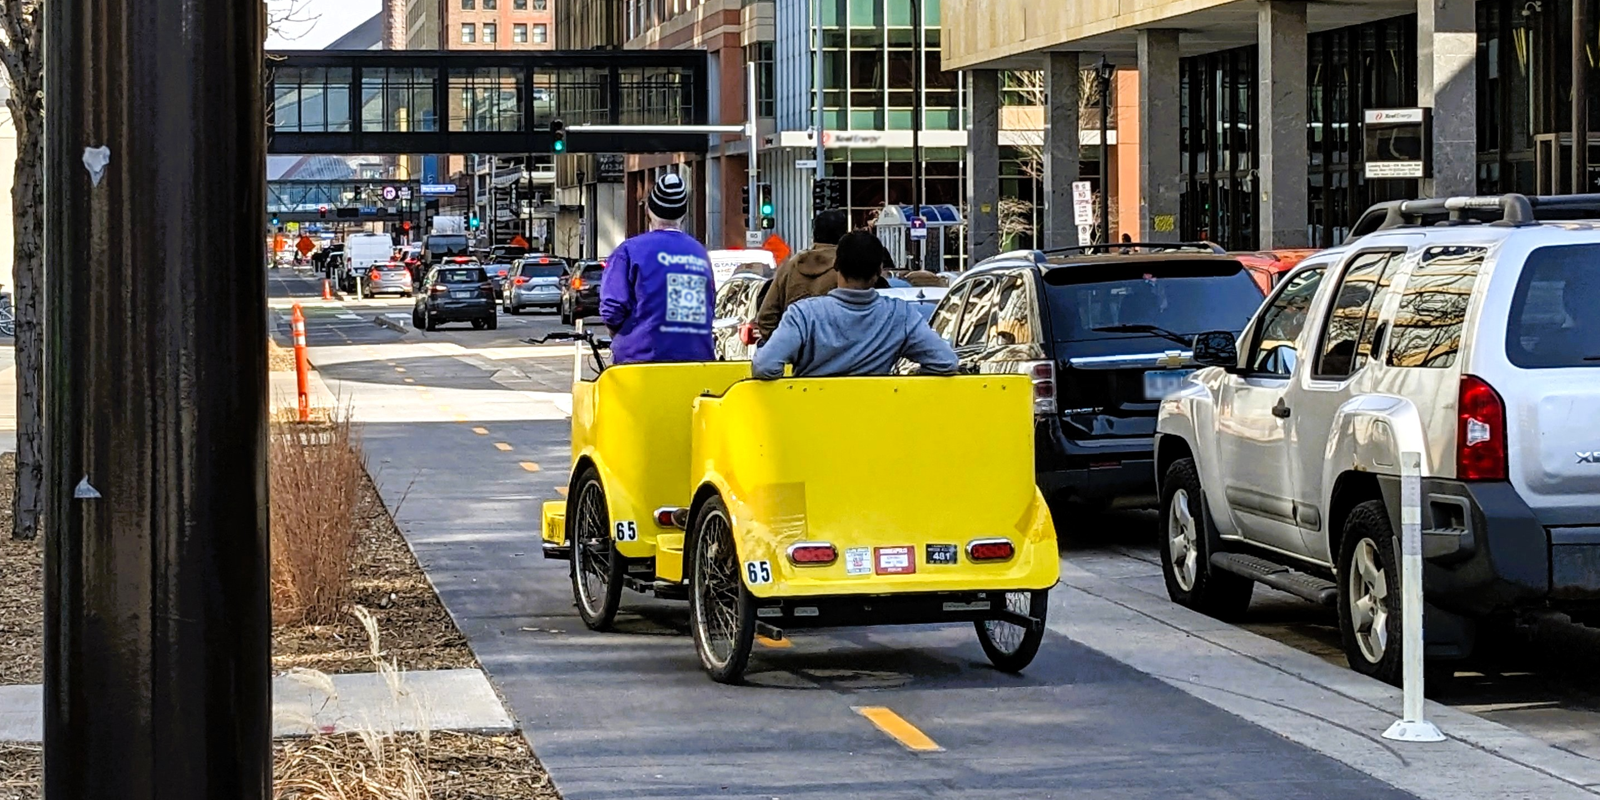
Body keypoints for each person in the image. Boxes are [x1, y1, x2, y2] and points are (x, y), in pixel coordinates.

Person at [753, 232, 958, 379]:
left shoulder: (803, 315)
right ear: (879, 271)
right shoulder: (900, 316)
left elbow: (765, 367)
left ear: (836, 266)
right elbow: (946, 361)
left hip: (812, 425)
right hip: (873, 428)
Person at [599, 173, 717, 364]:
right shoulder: (699, 253)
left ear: (648, 210)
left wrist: (625, 340)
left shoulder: (629, 252)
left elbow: (612, 310)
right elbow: (708, 307)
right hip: (696, 363)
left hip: (640, 364)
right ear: (684, 214)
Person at [755, 209, 849, 340]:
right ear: (844, 235)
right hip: (835, 356)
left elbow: (766, 316)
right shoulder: (848, 270)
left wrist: (784, 346)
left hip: (793, 355)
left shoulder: (789, 268)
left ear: (814, 233)